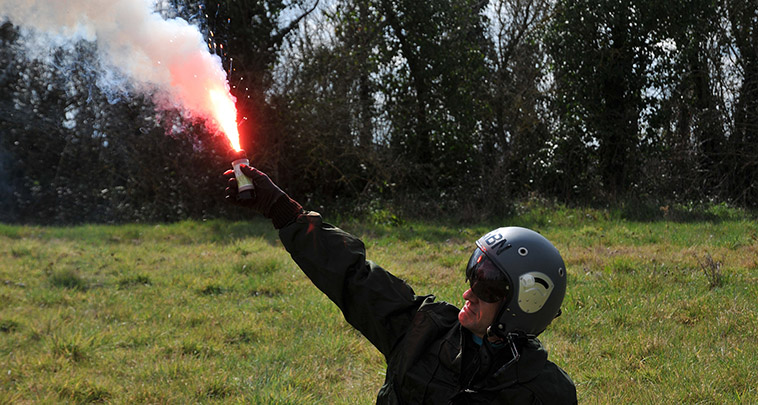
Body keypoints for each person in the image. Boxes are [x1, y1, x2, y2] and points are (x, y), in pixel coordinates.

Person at [224, 164, 577, 404]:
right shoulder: (422, 329)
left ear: (523, 305)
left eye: (487, 288)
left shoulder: (548, 393)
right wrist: (282, 211)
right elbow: (354, 277)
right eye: (474, 275)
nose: (468, 293)